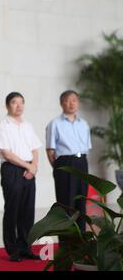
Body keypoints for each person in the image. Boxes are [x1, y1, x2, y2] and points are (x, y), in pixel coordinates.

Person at [0, 92, 42, 262]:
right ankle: (12, 249)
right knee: (12, 210)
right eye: (14, 102)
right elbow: (7, 153)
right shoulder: (2, 125)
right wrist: (28, 166)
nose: (19, 106)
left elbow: (35, 149)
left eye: (22, 102)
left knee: (28, 211)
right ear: (7, 105)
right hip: (12, 170)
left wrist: (34, 167)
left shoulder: (27, 125)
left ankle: (26, 247)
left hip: (29, 170)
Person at [46, 90, 91, 234]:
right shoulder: (55, 124)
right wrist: (59, 168)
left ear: (78, 103)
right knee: (66, 204)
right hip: (64, 163)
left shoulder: (84, 124)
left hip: (82, 162)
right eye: (67, 100)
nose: (71, 103)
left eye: (74, 100)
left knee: (81, 203)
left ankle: (81, 241)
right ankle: (66, 244)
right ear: (61, 103)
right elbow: (50, 150)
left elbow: (87, 147)